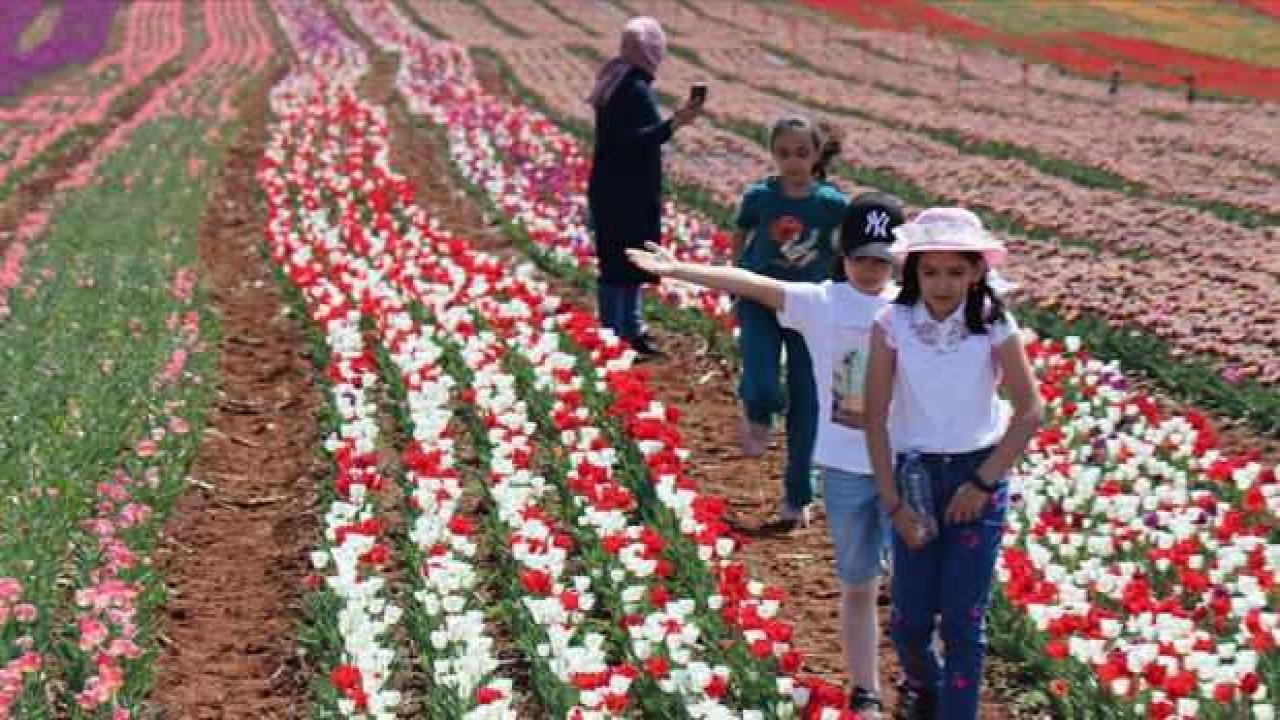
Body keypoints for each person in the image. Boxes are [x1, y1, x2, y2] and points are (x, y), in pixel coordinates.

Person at [628, 193, 906, 717]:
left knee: (912, 586)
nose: (871, 270)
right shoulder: (823, 302)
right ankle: (865, 687)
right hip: (845, 466)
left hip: (904, 466)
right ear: (843, 255)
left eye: (881, 259)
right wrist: (678, 269)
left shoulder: (911, 307)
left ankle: (919, 678)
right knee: (858, 582)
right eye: (861, 258)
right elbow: (751, 283)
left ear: (897, 259)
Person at [862, 208, 1043, 720]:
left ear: (977, 271)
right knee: (910, 622)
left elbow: (1030, 410)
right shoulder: (892, 323)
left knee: (964, 622)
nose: (942, 284)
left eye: (955, 271)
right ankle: (925, 684)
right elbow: (874, 415)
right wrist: (892, 503)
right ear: (913, 272)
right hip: (915, 478)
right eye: (930, 271)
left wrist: (983, 483)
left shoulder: (993, 324)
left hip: (975, 476)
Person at [732, 116, 848, 528]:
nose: (793, 162)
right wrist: (736, 280)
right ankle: (759, 410)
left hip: (810, 306)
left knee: (808, 400)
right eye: (784, 154)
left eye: (802, 153)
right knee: (762, 375)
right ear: (773, 155)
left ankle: (797, 496)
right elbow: (741, 237)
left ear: (817, 155)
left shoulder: (831, 204)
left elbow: (846, 247)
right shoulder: (760, 197)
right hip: (761, 299)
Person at [586, 16, 702, 359]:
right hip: (626, 190)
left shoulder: (617, 77)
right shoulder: (632, 88)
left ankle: (626, 330)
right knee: (624, 262)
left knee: (624, 260)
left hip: (614, 186)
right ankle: (618, 333)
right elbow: (636, 140)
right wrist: (675, 123)